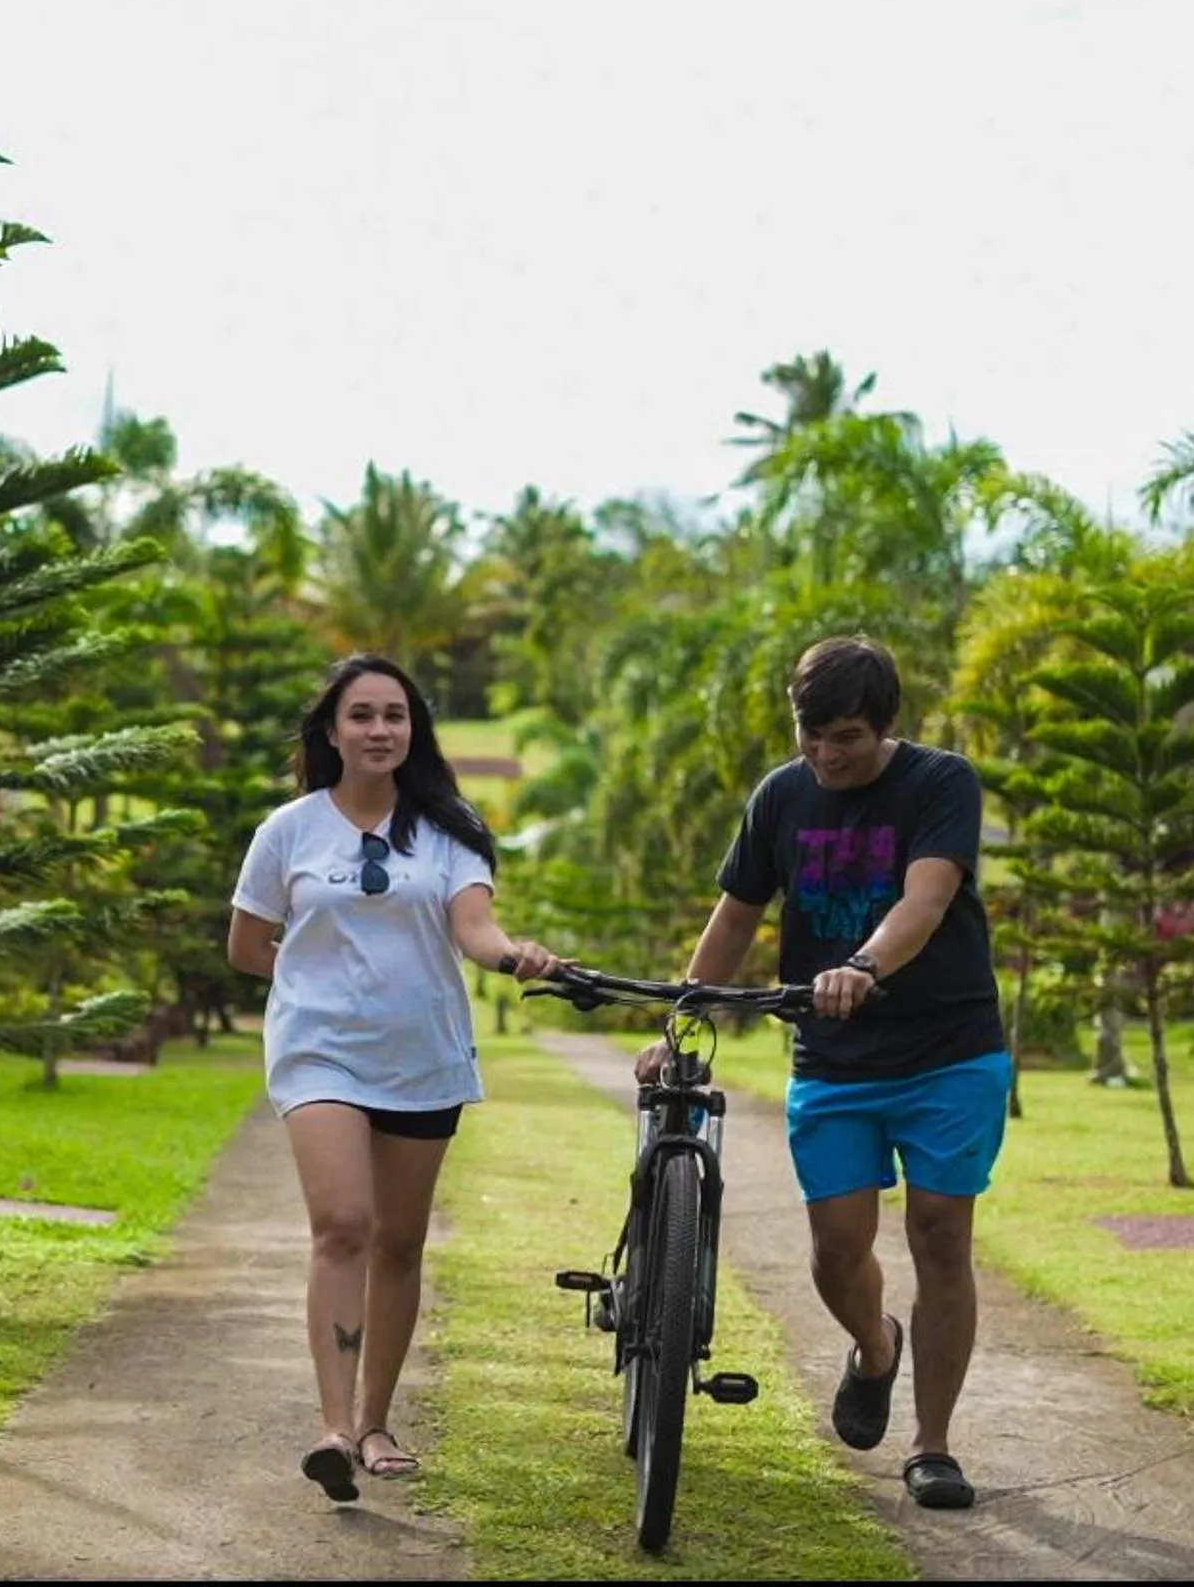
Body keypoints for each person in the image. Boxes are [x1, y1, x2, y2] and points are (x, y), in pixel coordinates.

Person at [635, 635, 1006, 1511]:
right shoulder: (782, 796)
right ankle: (877, 1348)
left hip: (950, 1050)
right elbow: (735, 917)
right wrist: (685, 1020)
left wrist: (865, 966)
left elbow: (926, 900)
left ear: (886, 725)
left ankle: (933, 1446)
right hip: (835, 1059)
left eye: (846, 736)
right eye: (812, 734)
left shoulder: (939, 783)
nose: (827, 754)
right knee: (837, 1249)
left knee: (941, 1235)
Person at [227, 653, 559, 1504]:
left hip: (423, 1056)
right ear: (331, 731)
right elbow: (246, 945)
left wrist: (514, 955)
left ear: (414, 731)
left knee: (400, 1243)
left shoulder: (447, 830)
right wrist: (321, 989)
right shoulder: (290, 830)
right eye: (362, 715)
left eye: (395, 716)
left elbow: (474, 929)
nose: (380, 730)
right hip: (320, 1052)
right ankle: (333, 1428)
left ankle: (376, 1422)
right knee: (342, 1223)